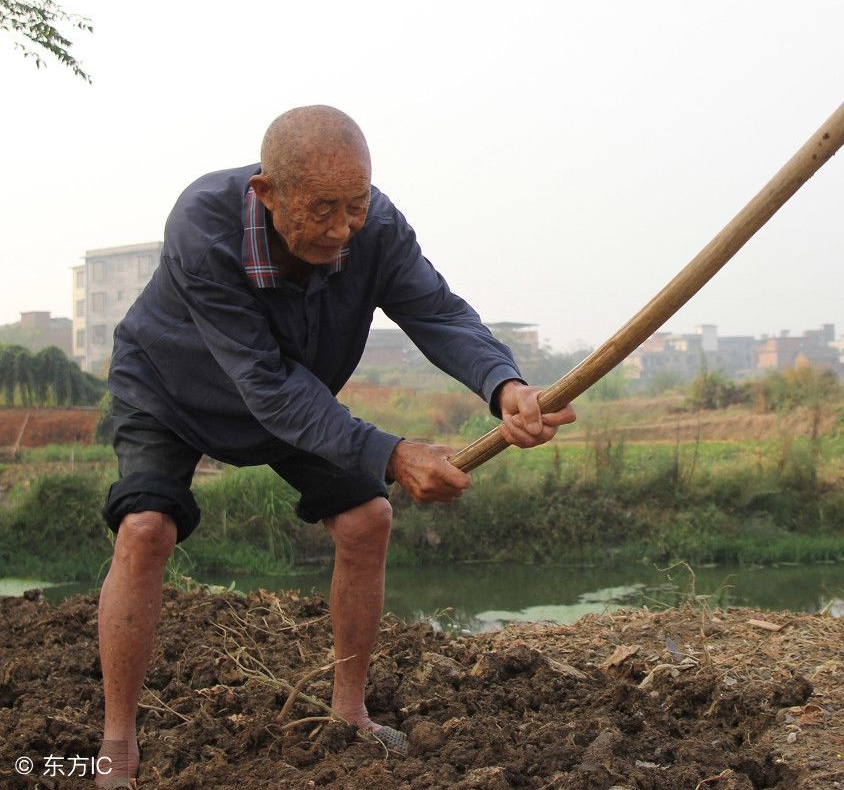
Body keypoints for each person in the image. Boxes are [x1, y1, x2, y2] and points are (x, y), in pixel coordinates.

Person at [93, 105, 575, 787]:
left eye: (355, 205)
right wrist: (391, 452)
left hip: (297, 393)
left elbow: (435, 312)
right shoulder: (203, 224)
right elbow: (262, 381)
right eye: (322, 210)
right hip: (173, 388)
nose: (342, 229)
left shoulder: (372, 225)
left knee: (366, 519)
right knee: (145, 528)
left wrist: (505, 388)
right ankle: (118, 738)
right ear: (267, 193)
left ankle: (349, 710)